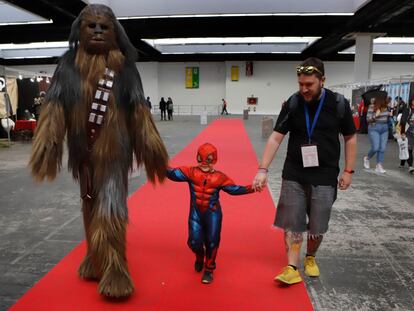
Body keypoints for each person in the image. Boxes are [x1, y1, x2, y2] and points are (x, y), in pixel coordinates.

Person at [29, 4, 169, 297]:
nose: (96, 31)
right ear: (79, 31)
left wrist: (152, 147)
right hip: (82, 151)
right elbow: (54, 107)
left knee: (111, 206)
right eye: (90, 26)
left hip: (115, 151)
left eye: (104, 27)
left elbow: (138, 110)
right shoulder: (67, 66)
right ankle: (95, 260)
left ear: (115, 33)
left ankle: (115, 271)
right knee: (90, 203)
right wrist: (48, 144)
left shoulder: (125, 68)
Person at [252, 57, 357, 285]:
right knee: (293, 221)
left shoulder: (338, 104)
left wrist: (348, 170)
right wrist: (262, 169)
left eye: (309, 84)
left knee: (318, 226)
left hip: (325, 175)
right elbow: (276, 137)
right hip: (295, 172)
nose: (303, 89)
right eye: (300, 84)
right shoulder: (293, 103)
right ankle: (291, 266)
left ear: (322, 80)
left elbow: (350, 138)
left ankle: (310, 257)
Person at [167, 143, 255, 284]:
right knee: (194, 241)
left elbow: (234, 189)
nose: (204, 164)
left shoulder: (220, 177)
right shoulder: (190, 172)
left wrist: (253, 188)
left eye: (208, 160)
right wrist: (159, 162)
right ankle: (199, 256)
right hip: (195, 213)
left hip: (213, 214)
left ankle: (209, 269)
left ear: (214, 160)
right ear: (197, 158)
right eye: (202, 159)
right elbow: (172, 174)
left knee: (212, 242)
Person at [363, 94, 391, 173]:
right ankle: (367, 158)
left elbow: (387, 118)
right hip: (374, 128)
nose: (386, 100)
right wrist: (375, 115)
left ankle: (379, 165)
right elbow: (368, 119)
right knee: (375, 147)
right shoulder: (372, 106)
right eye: (384, 99)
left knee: (382, 148)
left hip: (385, 128)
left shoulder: (386, 107)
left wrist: (389, 114)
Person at [399, 98, 414, 173]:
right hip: (408, 133)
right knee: (409, 149)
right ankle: (411, 166)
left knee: (405, 149)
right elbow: (403, 121)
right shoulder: (408, 110)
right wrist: (402, 133)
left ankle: (402, 163)